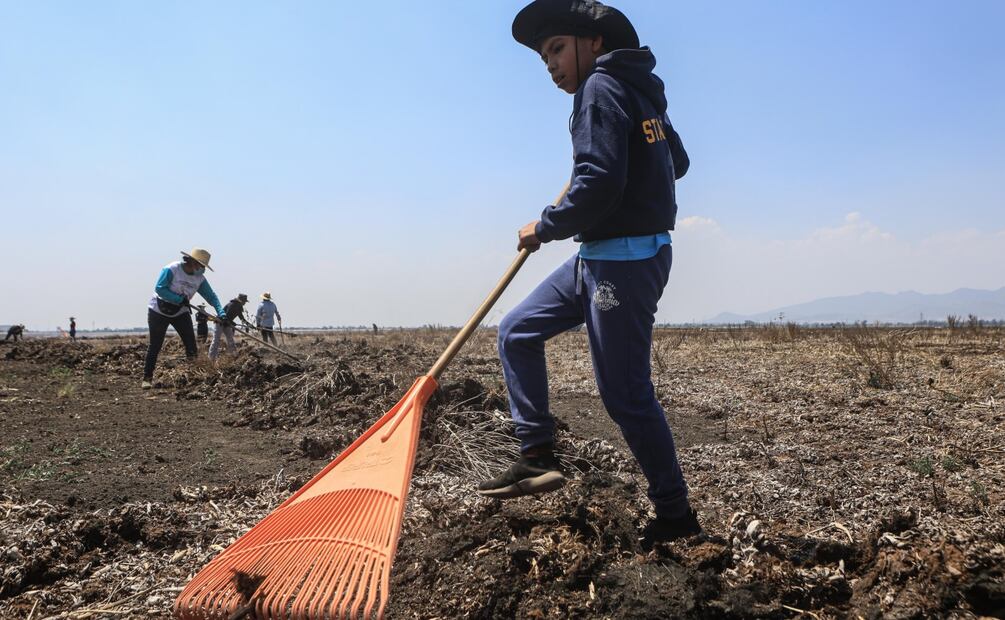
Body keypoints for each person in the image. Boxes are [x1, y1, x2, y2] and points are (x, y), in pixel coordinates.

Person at [478, 0, 699, 548]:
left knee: (625, 394)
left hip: (622, 261)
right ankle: (536, 456)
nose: (550, 64)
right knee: (517, 330)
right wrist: (613, 165)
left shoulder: (599, 89)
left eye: (556, 49)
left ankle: (676, 515)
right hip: (597, 256)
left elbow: (600, 184)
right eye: (543, 57)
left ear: (593, 43)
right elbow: (679, 163)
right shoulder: (641, 92)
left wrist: (545, 225)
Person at [144, 248, 225, 389]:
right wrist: (177, 298)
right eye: (201, 265)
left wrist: (221, 312)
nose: (202, 269)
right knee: (155, 345)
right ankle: (147, 378)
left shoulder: (199, 279)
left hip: (180, 312)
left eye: (204, 267)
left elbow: (211, 296)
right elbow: (160, 288)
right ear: (192, 261)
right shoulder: (172, 269)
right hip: (159, 310)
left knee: (191, 346)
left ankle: (193, 378)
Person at [210, 293, 253, 360]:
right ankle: (211, 358)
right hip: (220, 322)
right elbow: (226, 316)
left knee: (231, 340)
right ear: (241, 300)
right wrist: (232, 323)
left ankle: (233, 356)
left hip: (227, 324)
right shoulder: (232, 305)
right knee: (216, 340)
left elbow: (242, 319)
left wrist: (250, 325)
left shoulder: (239, 307)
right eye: (244, 301)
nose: (245, 303)